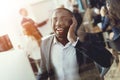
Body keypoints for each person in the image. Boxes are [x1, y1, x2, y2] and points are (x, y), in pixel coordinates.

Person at [37, 8, 113, 80]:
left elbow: (108, 61)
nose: (58, 23)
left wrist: (75, 42)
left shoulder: (86, 38)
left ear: (73, 21)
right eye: (55, 19)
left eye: (64, 19)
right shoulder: (45, 43)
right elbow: (43, 73)